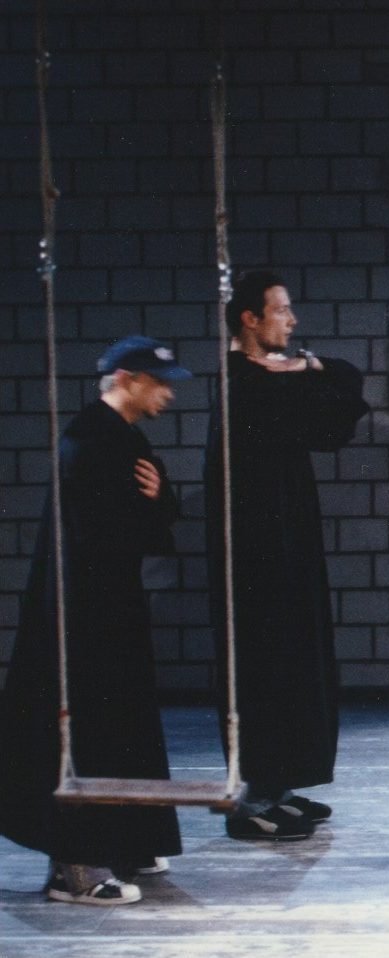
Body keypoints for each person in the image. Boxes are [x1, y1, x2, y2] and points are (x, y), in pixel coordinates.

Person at [0, 336, 190, 905]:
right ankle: (74, 867)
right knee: (88, 727)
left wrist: (158, 500)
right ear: (127, 380)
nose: (168, 393)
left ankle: (130, 839)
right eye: (159, 382)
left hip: (110, 605)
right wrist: (152, 506)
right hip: (82, 613)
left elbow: (158, 506)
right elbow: (106, 531)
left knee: (124, 722)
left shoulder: (122, 436)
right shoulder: (88, 441)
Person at [205, 271, 368, 841]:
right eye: (281, 310)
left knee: (292, 656)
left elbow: (345, 389)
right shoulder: (247, 384)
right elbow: (338, 405)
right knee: (264, 662)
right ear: (250, 319)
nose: (292, 321)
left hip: (283, 537)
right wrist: (303, 370)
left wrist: (304, 364)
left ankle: (276, 786)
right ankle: (253, 798)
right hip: (256, 552)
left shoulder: (268, 377)